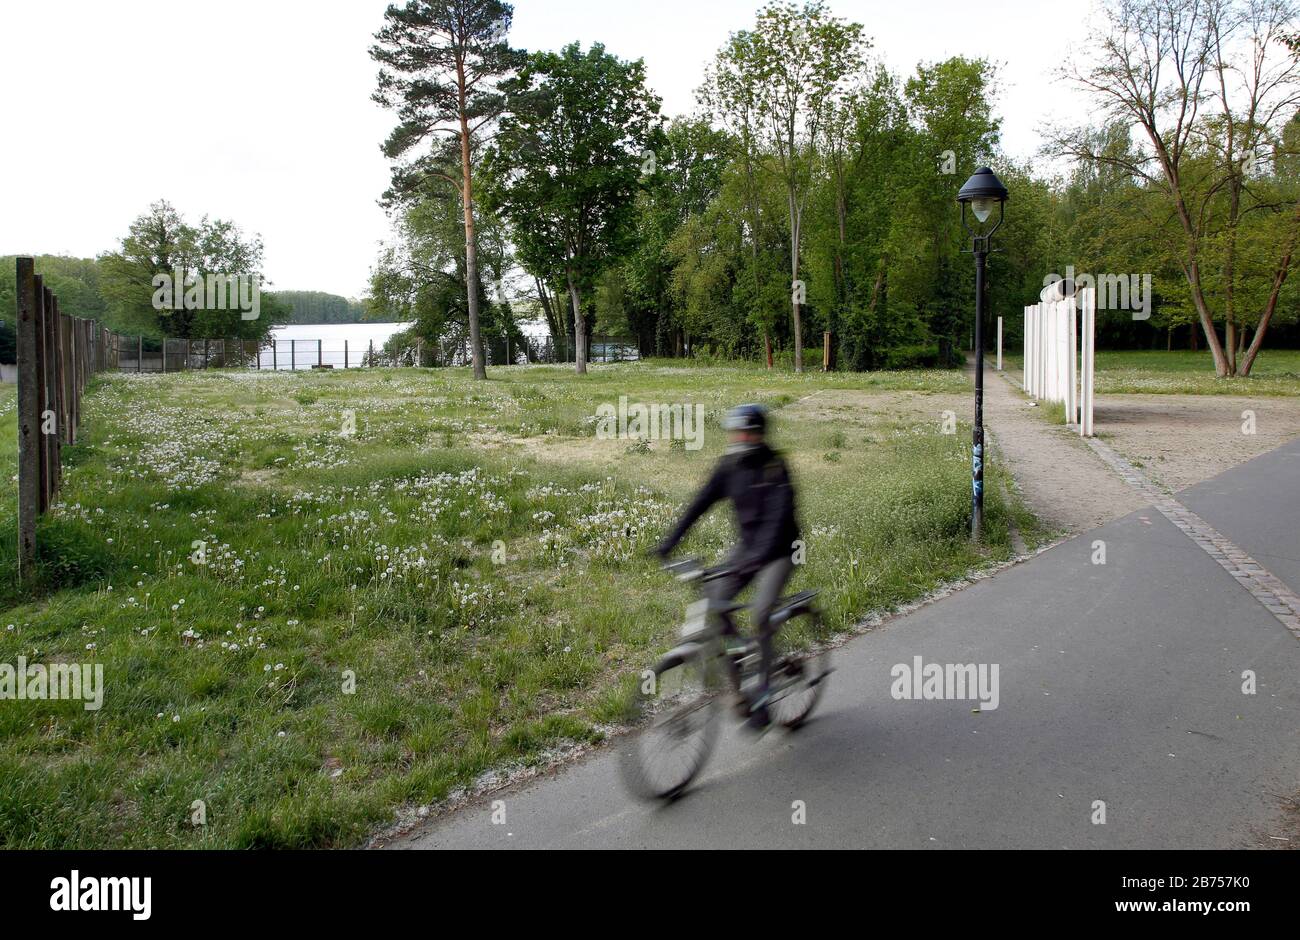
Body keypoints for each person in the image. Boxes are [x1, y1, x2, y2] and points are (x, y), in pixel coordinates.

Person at [655, 403, 801, 731]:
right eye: (735, 431)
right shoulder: (729, 466)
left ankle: (763, 697)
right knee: (714, 601)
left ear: (759, 435)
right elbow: (700, 503)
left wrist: (756, 557)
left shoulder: (776, 467)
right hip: (747, 549)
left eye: (745, 431)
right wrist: (669, 542)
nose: (738, 437)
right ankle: (740, 692)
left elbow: (778, 521)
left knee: (761, 614)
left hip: (781, 550)